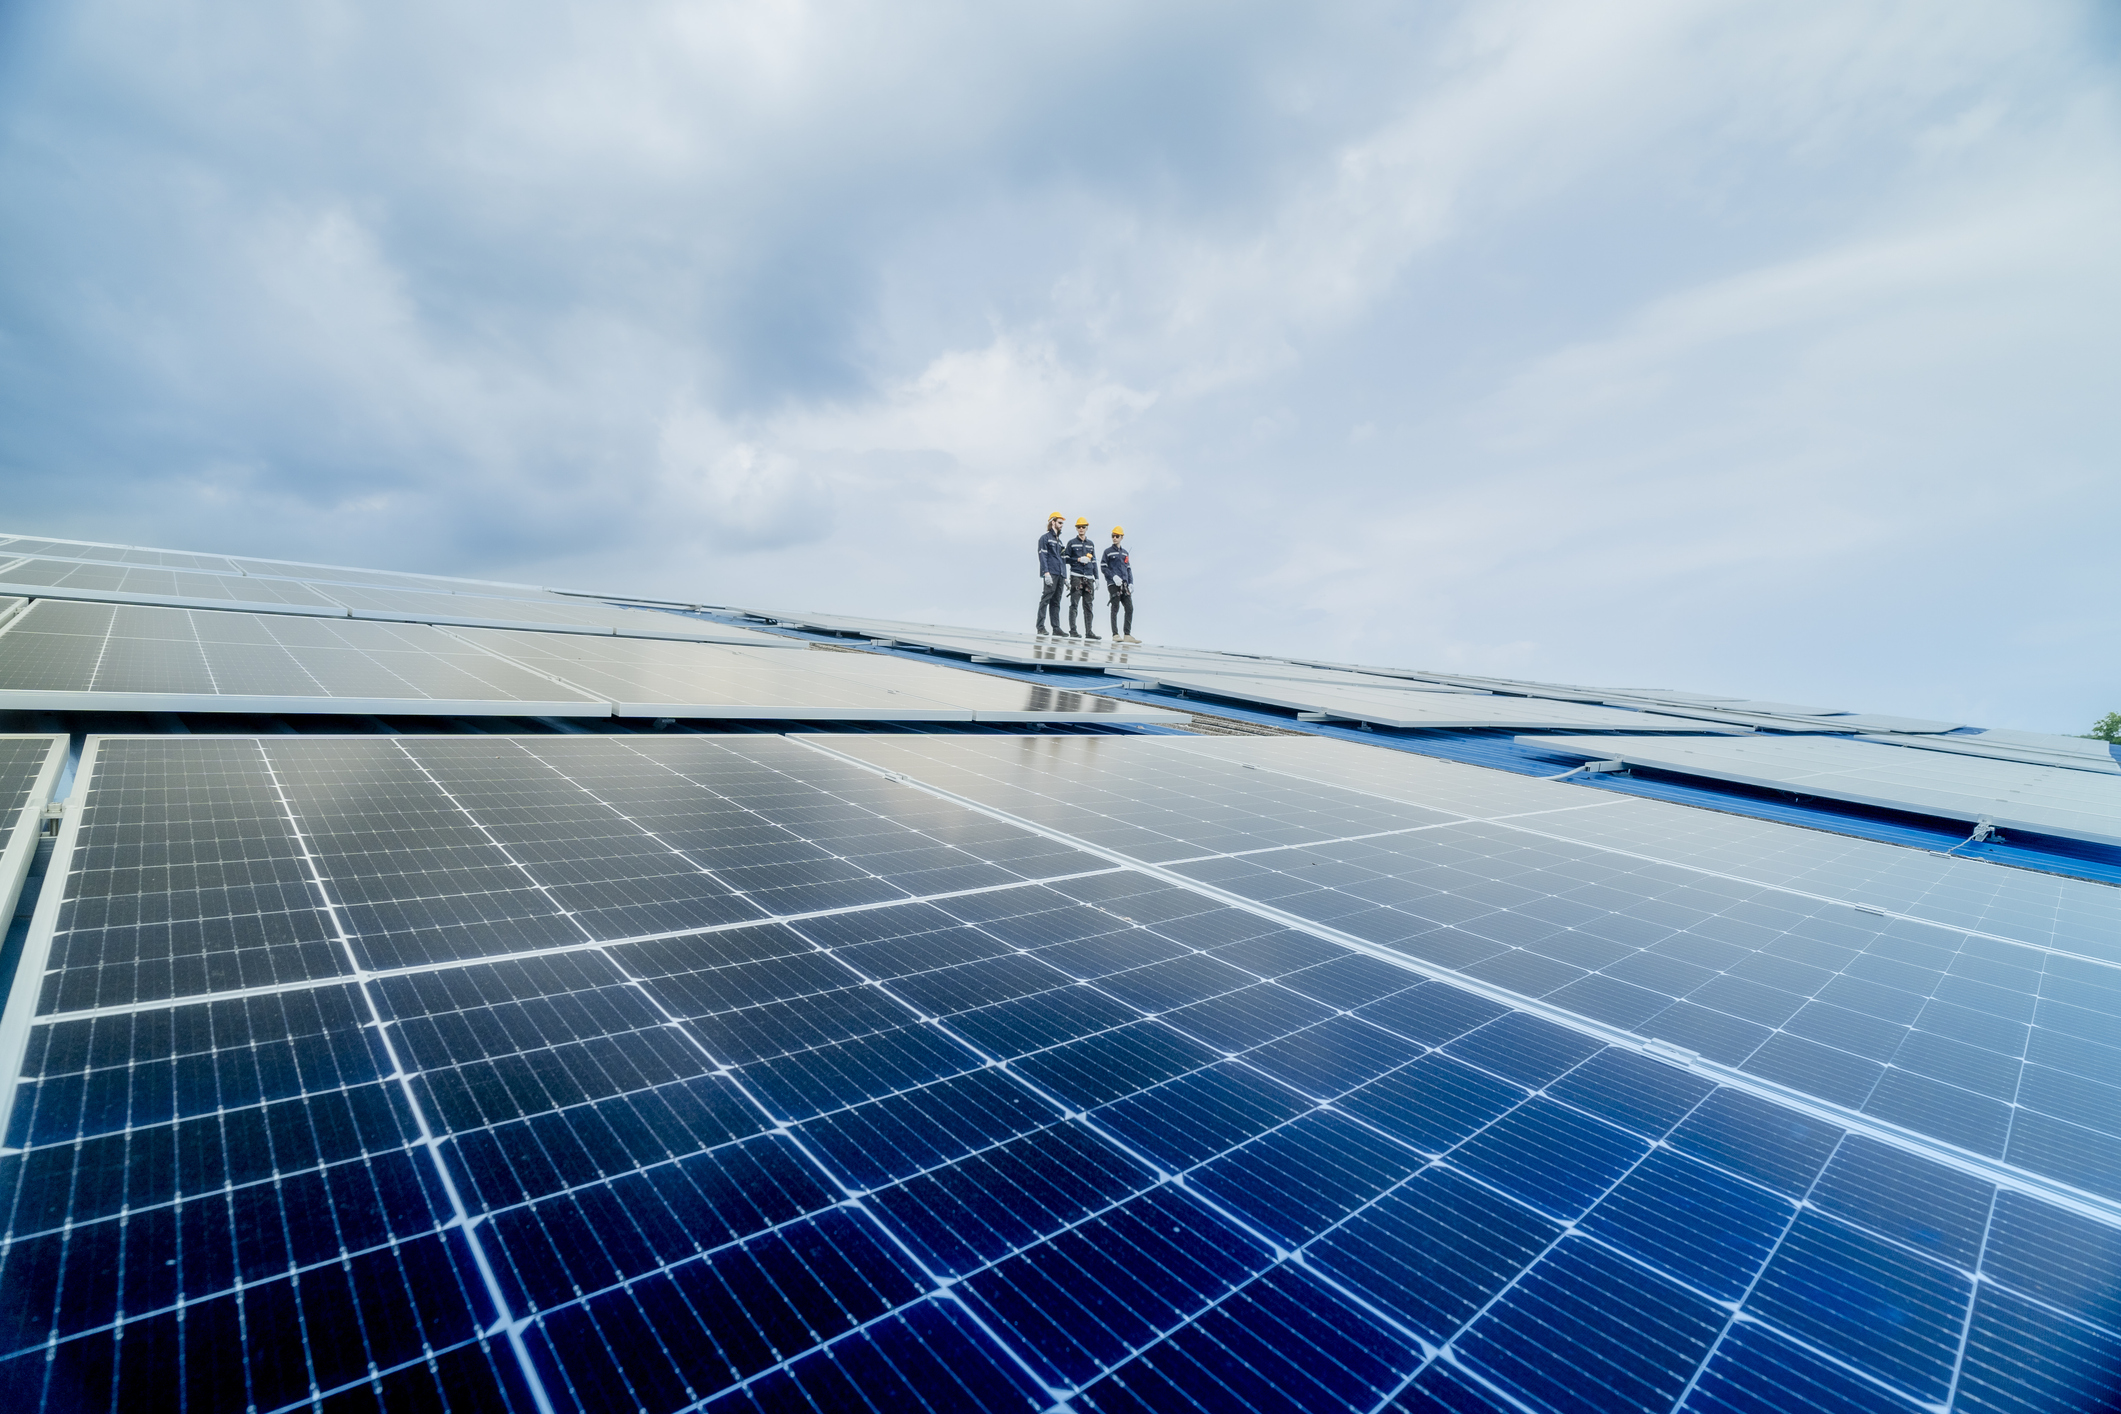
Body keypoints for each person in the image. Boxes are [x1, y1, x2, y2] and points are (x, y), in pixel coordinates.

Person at [1065, 516, 1100, 639]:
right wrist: (1078, 559)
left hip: (1089, 577)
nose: (1081, 529)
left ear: (1086, 528)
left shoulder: (1091, 544)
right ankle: (1073, 631)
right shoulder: (1071, 543)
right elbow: (1066, 559)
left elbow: (1094, 561)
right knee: (1074, 604)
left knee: (1088, 606)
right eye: (1079, 527)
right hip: (1076, 577)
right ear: (1076, 528)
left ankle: (1089, 632)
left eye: (1083, 527)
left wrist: (1097, 577)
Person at [1102, 525, 1137, 642]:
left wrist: (1131, 583)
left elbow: (1128, 569)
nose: (1114, 538)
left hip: (1124, 584)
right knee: (1115, 608)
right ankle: (1115, 634)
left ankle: (1127, 634)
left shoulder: (1125, 553)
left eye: (1117, 536)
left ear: (1122, 537)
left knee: (1129, 608)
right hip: (1113, 584)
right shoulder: (1107, 552)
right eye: (1113, 536)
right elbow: (1103, 567)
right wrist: (1113, 577)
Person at [1035, 512, 1066, 635]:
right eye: (1059, 522)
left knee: (1056, 601)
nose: (1061, 525)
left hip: (1060, 574)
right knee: (1046, 599)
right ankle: (1040, 627)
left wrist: (1065, 577)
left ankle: (1056, 628)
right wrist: (1046, 573)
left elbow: (1062, 560)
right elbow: (1043, 556)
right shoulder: (1045, 538)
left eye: (1062, 523)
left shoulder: (1060, 542)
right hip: (1051, 573)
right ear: (1053, 522)